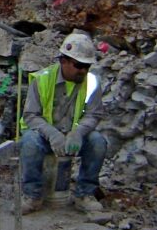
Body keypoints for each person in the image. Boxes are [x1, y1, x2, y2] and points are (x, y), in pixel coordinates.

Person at [20, 33, 107, 214]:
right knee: (29, 142)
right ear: (64, 61)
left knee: (98, 142)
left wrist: (78, 132)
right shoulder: (42, 80)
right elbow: (31, 115)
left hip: (74, 134)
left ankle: (84, 194)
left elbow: (94, 114)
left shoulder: (91, 82)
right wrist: (52, 134)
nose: (83, 71)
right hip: (45, 136)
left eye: (87, 66)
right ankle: (32, 195)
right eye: (79, 65)